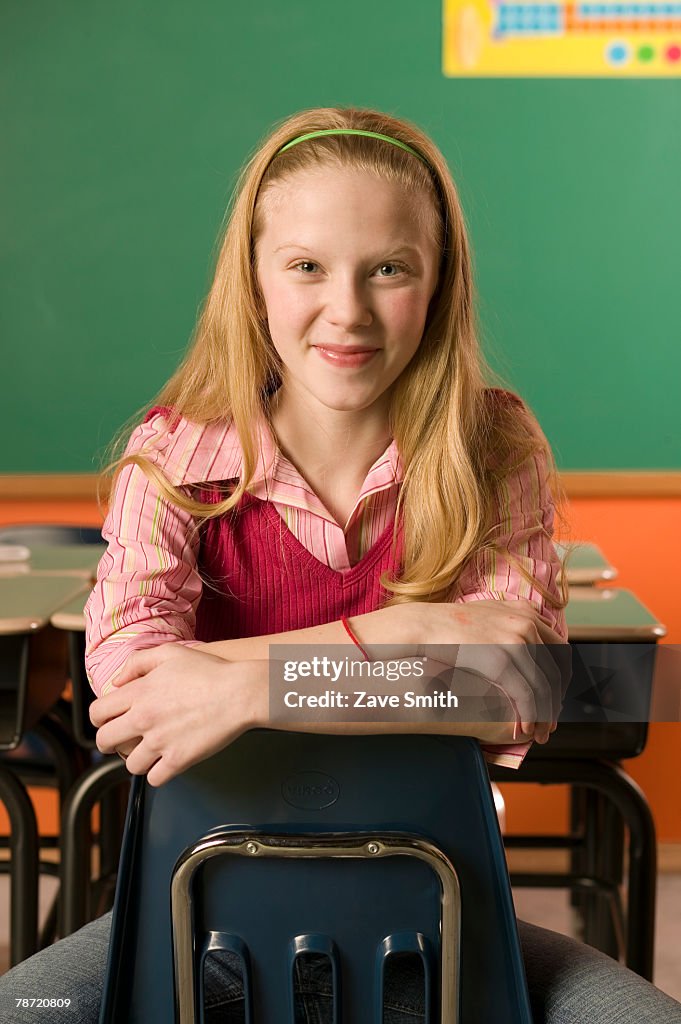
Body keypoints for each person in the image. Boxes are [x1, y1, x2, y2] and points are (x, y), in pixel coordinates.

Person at [1, 106, 679, 1023]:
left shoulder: (493, 446)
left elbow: (510, 692)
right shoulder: (172, 458)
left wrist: (247, 687)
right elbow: (131, 696)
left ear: (438, 284)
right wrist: (410, 632)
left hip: (437, 915)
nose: (347, 310)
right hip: (193, 916)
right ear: (255, 281)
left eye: (389, 269)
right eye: (307, 266)